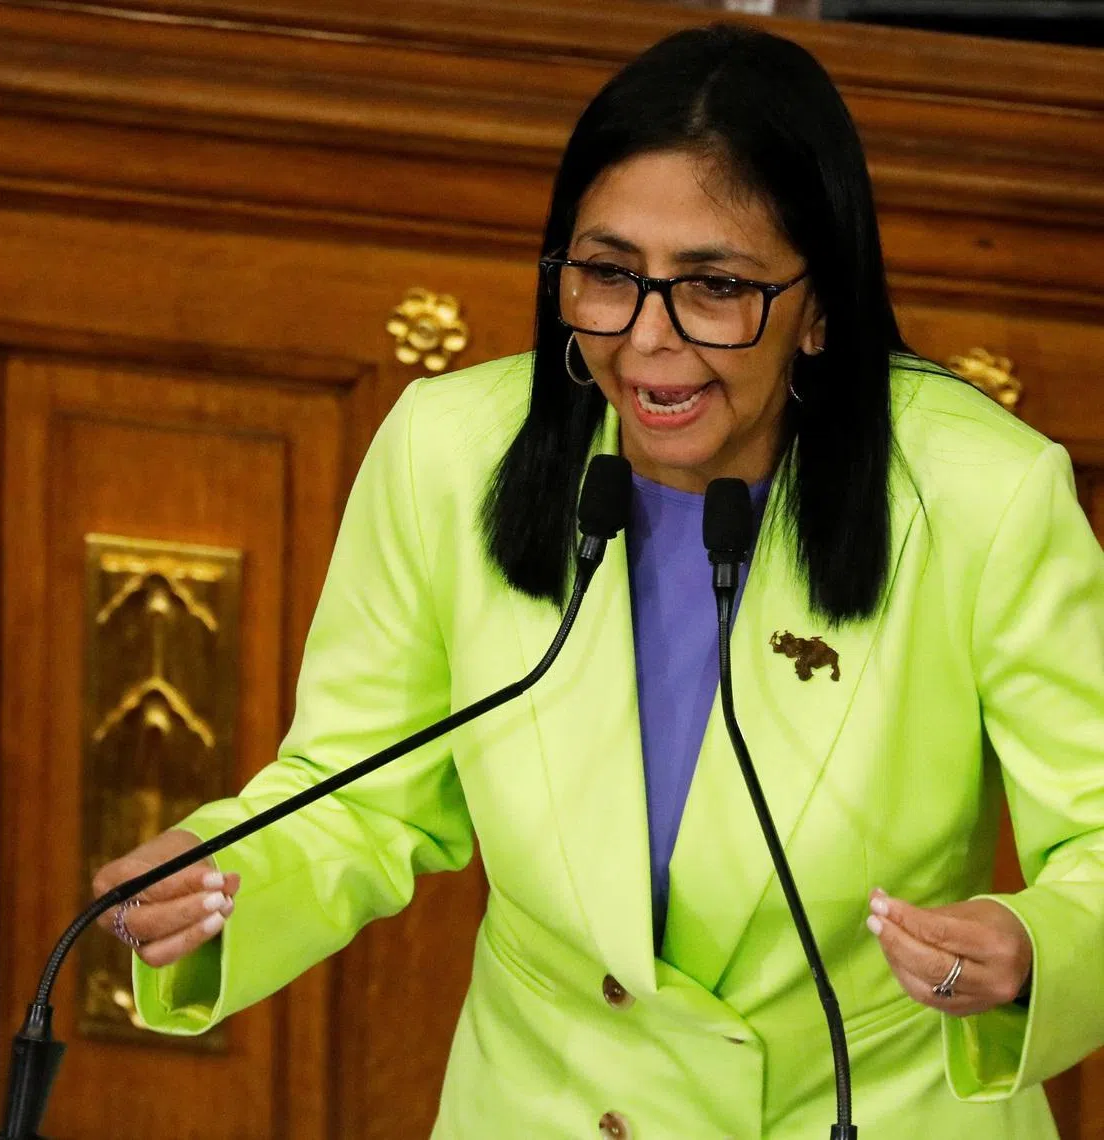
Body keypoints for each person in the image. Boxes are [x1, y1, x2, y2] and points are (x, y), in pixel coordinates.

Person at [92, 24, 1104, 1139]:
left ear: (819, 306)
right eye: (609, 275)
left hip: (866, 1111)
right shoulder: (451, 450)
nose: (648, 342)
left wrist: (1033, 946)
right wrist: (218, 870)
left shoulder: (983, 497)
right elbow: (359, 792)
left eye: (715, 287)